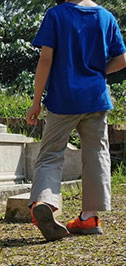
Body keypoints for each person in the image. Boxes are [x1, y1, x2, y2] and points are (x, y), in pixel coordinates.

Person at [25, 0, 126, 241]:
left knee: (51, 153)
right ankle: (89, 218)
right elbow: (122, 59)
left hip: (63, 98)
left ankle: (46, 204)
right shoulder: (105, 17)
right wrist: (97, 73)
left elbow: (45, 59)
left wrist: (36, 101)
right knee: (96, 153)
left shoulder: (56, 15)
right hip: (95, 97)